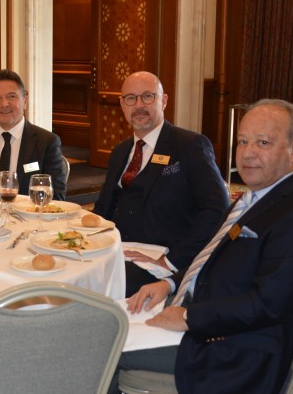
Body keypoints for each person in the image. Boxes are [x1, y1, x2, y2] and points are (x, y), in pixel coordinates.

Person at [98, 99, 293, 394]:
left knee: (101, 346)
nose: (248, 153)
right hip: (207, 320)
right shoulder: (261, 196)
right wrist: (169, 284)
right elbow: (215, 261)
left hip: (233, 350)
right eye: (243, 142)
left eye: (263, 143)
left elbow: (269, 304)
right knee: (104, 318)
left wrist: (188, 317)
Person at [93, 71, 230, 297]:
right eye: (131, 98)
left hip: (159, 257)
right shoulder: (120, 151)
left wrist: (171, 260)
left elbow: (217, 209)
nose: (139, 105)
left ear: (164, 100)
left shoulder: (190, 146)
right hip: (116, 249)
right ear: (122, 105)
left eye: (148, 96)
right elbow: (104, 206)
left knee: (102, 288)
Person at [0, 69, 67, 198]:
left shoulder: (47, 142)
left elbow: (56, 198)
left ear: (25, 101)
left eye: (11, 96)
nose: (4, 104)